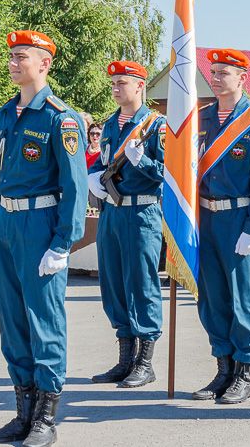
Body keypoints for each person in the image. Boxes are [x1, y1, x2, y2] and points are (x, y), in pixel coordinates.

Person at [0, 30, 87, 447]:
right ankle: (22, 413)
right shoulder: (5, 115)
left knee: (45, 322)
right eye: (10, 55)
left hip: (40, 226)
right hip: (6, 226)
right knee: (12, 323)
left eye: (20, 56)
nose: (11, 61)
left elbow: (75, 187)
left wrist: (63, 243)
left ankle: (45, 418)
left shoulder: (61, 117)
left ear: (44, 63)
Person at [193, 48, 250, 404]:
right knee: (213, 297)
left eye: (224, 72)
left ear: (242, 78)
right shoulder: (199, 119)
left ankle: (244, 372)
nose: (215, 77)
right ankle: (223, 367)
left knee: (243, 298)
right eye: (213, 72)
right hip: (206, 218)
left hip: (240, 218)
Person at [87, 60, 166, 388]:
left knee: (141, 285)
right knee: (114, 283)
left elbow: (171, 177)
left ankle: (145, 362)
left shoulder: (156, 126)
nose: (116, 88)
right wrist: (94, 179)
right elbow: (105, 164)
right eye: (114, 83)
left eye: (123, 83)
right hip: (112, 212)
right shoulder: (109, 126)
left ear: (140, 86)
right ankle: (125, 359)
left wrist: (142, 160)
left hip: (142, 213)